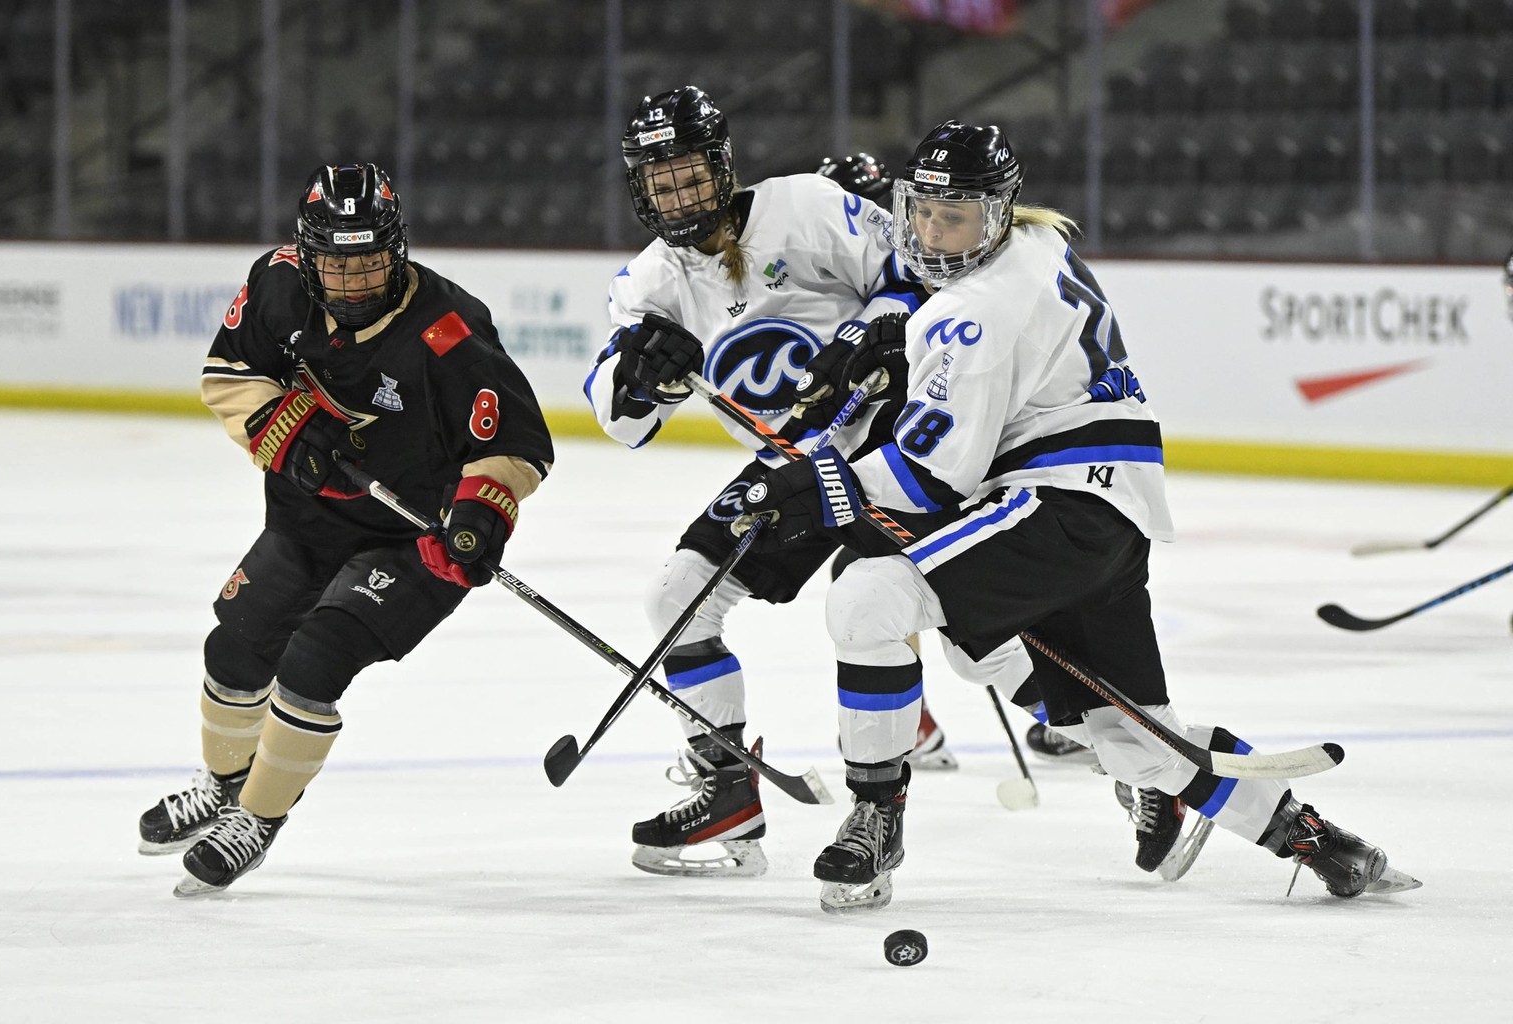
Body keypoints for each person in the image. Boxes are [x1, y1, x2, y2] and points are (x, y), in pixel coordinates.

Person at [741, 120, 1419, 911]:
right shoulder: (1040, 248)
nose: (930, 231)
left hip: (1052, 508)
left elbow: (929, 480)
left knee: (868, 599)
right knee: (1134, 736)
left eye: (952, 215)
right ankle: (1322, 844)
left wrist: (819, 479)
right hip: (1108, 516)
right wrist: (898, 339)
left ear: (994, 212)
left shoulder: (970, 314)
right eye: (920, 211)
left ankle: (874, 815)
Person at [137, 163, 555, 897]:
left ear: (396, 251)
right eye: (337, 264)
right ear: (308, 255)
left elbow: (515, 443)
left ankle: (258, 820)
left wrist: (481, 514)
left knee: (313, 659)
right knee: (233, 645)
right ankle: (226, 784)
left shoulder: (450, 330)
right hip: (309, 521)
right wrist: (287, 433)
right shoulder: (276, 283)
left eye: (369, 263)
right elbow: (230, 374)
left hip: (413, 540)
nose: (355, 281)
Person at [584, 84, 949, 878]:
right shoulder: (652, 284)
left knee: (972, 633)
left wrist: (873, 326)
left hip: (897, 446)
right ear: (640, 192)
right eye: (662, 182)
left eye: (691, 175)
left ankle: (1120, 746)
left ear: (721, 167)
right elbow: (617, 416)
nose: (681, 196)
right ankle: (734, 789)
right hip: (792, 471)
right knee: (679, 597)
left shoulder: (809, 208)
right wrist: (649, 379)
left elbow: (919, 270)